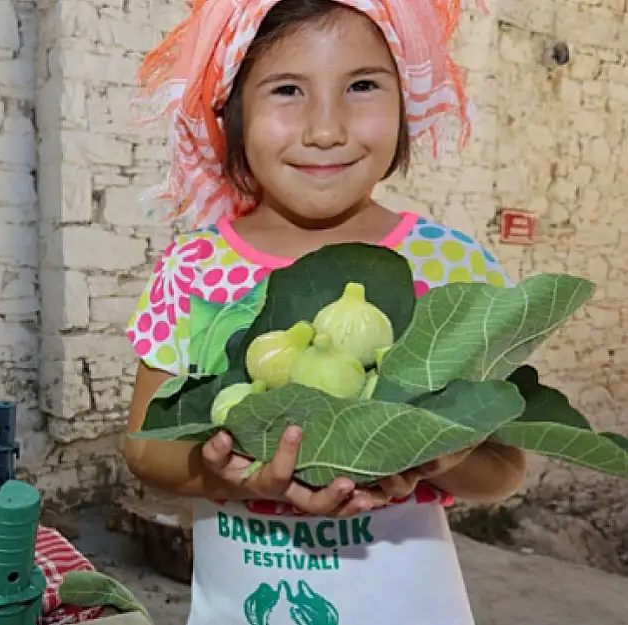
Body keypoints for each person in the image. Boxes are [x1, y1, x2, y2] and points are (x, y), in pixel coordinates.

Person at [123, 1, 527, 623]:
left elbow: (504, 469)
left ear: (405, 103)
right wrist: (228, 479)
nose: (326, 129)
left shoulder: (453, 267)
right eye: (287, 90)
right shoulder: (195, 269)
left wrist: (438, 455)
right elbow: (146, 452)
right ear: (233, 115)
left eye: (362, 85)